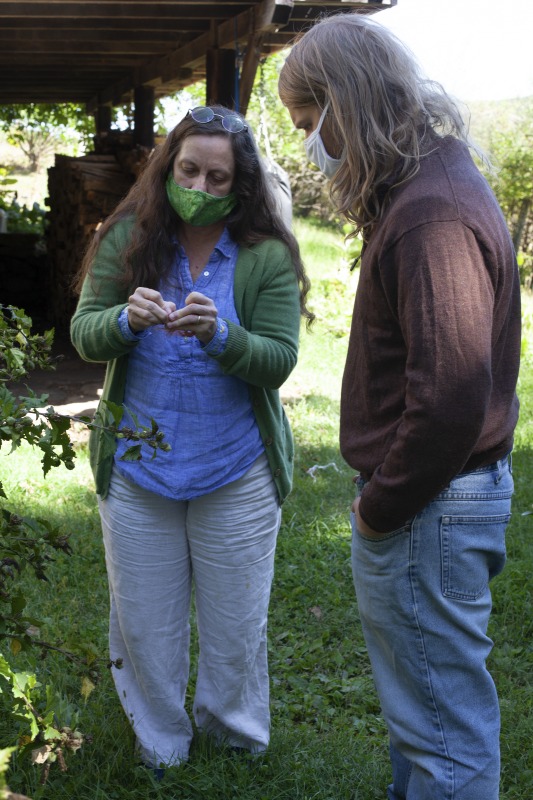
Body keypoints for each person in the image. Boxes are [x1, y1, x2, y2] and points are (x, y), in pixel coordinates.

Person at [278, 13, 520, 800]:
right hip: (435, 504)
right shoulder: (426, 186)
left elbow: (449, 399)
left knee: (443, 739)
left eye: (312, 124)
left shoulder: (430, 212)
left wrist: (378, 509)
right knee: (424, 721)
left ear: (348, 104)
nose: (311, 144)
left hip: (427, 506)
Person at [71, 105, 312, 774]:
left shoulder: (263, 254)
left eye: (217, 177)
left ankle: (234, 741)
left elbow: (278, 361)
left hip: (236, 466)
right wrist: (122, 319)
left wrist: (223, 336)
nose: (200, 188)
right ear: (166, 167)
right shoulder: (128, 237)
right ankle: (161, 742)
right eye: (188, 171)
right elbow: (84, 333)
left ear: (242, 185)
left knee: (236, 625)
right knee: (146, 622)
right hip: (139, 464)